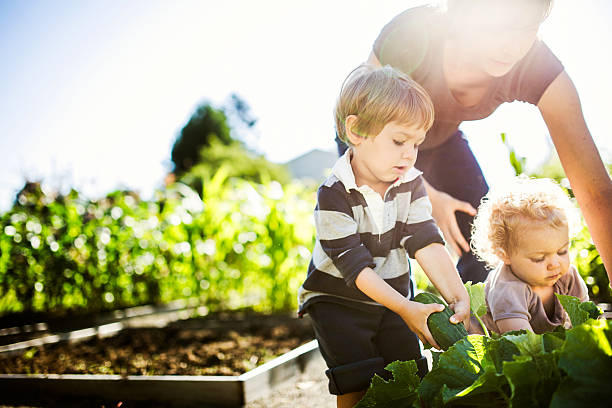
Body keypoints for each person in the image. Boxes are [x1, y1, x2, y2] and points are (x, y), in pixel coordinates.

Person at [336, 0, 612, 286]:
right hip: (369, 141)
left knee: (483, 239)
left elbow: (595, 193)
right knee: (378, 240)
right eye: (496, 27)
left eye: (527, 28)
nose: (511, 46)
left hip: (442, 142)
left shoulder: (539, 67)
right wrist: (425, 194)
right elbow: (363, 127)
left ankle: (481, 322)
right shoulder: (412, 35)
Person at [298, 65, 470, 408]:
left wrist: (457, 294)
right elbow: (355, 268)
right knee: (356, 381)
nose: (409, 154)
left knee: (407, 375)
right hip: (338, 301)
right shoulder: (333, 194)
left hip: (393, 295)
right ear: (357, 130)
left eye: (416, 144)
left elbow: (425, 240)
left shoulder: (411, 184)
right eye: (399, 141)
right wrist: (406, 308)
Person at [470, 177, 589, 334]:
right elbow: (522, 344)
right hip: (504, 349)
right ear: (504, 255)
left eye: (562, 251)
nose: (555, 263)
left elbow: (589, 322)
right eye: (539, 258)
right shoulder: (507, 289)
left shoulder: (568, 277)